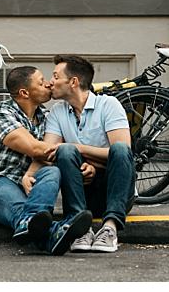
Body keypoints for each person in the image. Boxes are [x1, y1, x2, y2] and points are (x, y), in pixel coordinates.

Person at [0, 66, 92, 256]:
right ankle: (52, 231)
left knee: (53, 172)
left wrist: (84, 161)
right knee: (21, 211)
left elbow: (58, 154)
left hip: (34, 187)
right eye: (41, 82)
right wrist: (66, 150)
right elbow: (33, 147)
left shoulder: (47, 117)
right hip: (1, 183)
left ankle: (37, 228)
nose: (48, 83)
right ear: (24, 93)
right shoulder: (2, 112)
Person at [42, 55, 136, 253]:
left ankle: (110, 227)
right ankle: (80, 228)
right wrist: (81, 158)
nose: (51, 82)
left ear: (73, 82)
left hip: (115, 191)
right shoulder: (57, 112)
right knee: (65, 150)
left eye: (56, 76)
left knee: (119, 149)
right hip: (81, 192)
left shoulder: (109, 105)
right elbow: (49, 151)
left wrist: (81, 151)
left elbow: (121, 154)